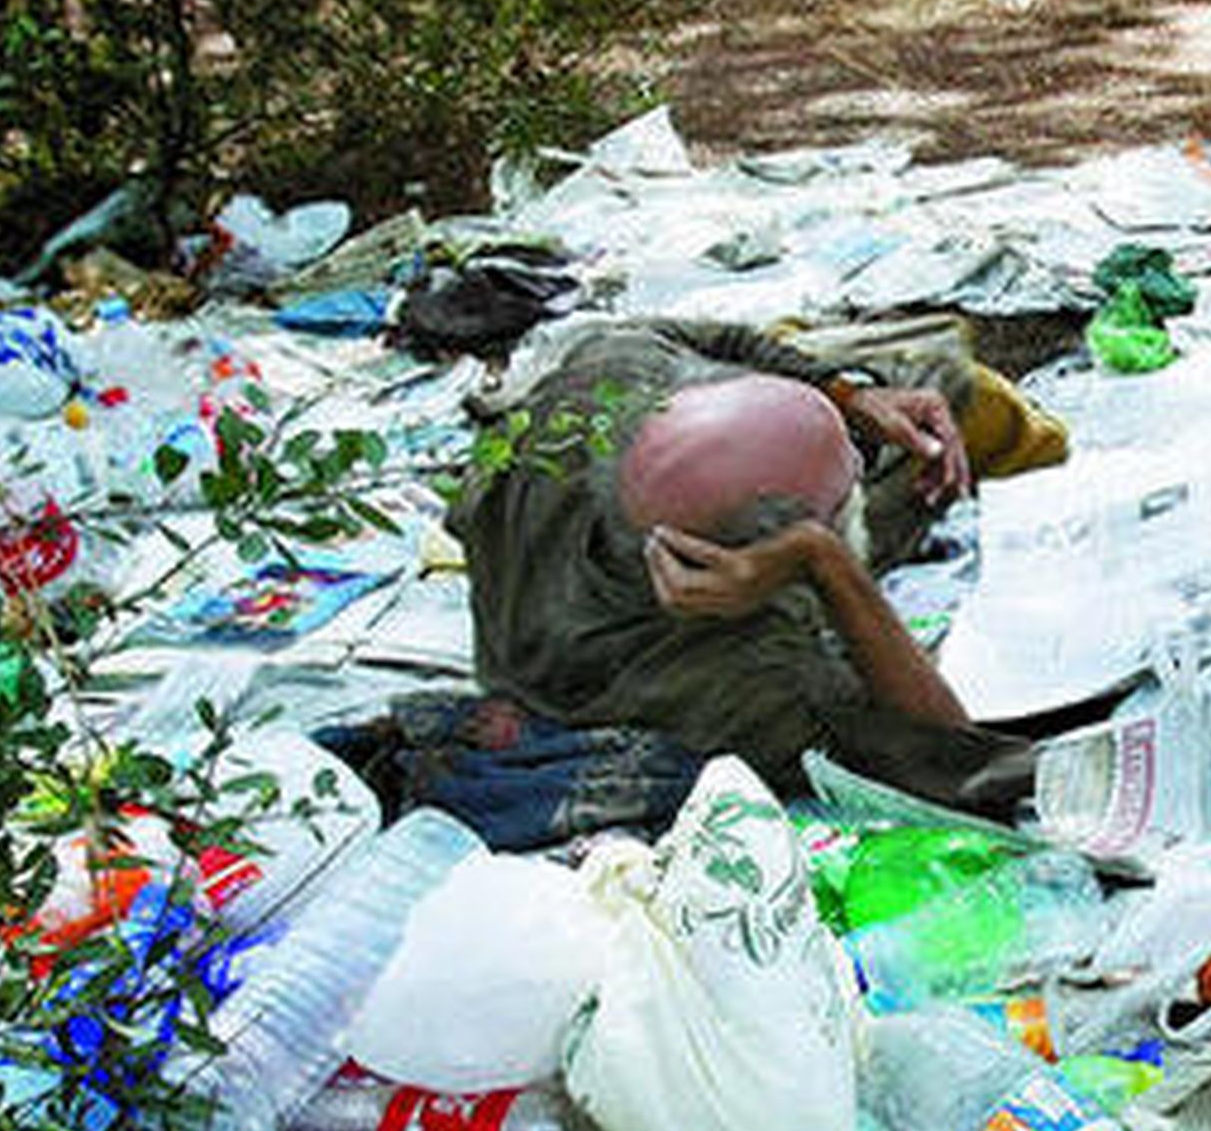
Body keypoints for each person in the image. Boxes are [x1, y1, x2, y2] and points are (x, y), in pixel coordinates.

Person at [448, 315, 1064, 814]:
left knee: (947, 392)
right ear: (753, 562)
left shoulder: (613, 376)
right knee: (962, 413)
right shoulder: (752, 682)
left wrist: (849, 393)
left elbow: (717, 337)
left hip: (576, 568)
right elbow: (954, 754)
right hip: (618, 648)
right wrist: (826, 563)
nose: (863, 464)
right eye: (851, 482)